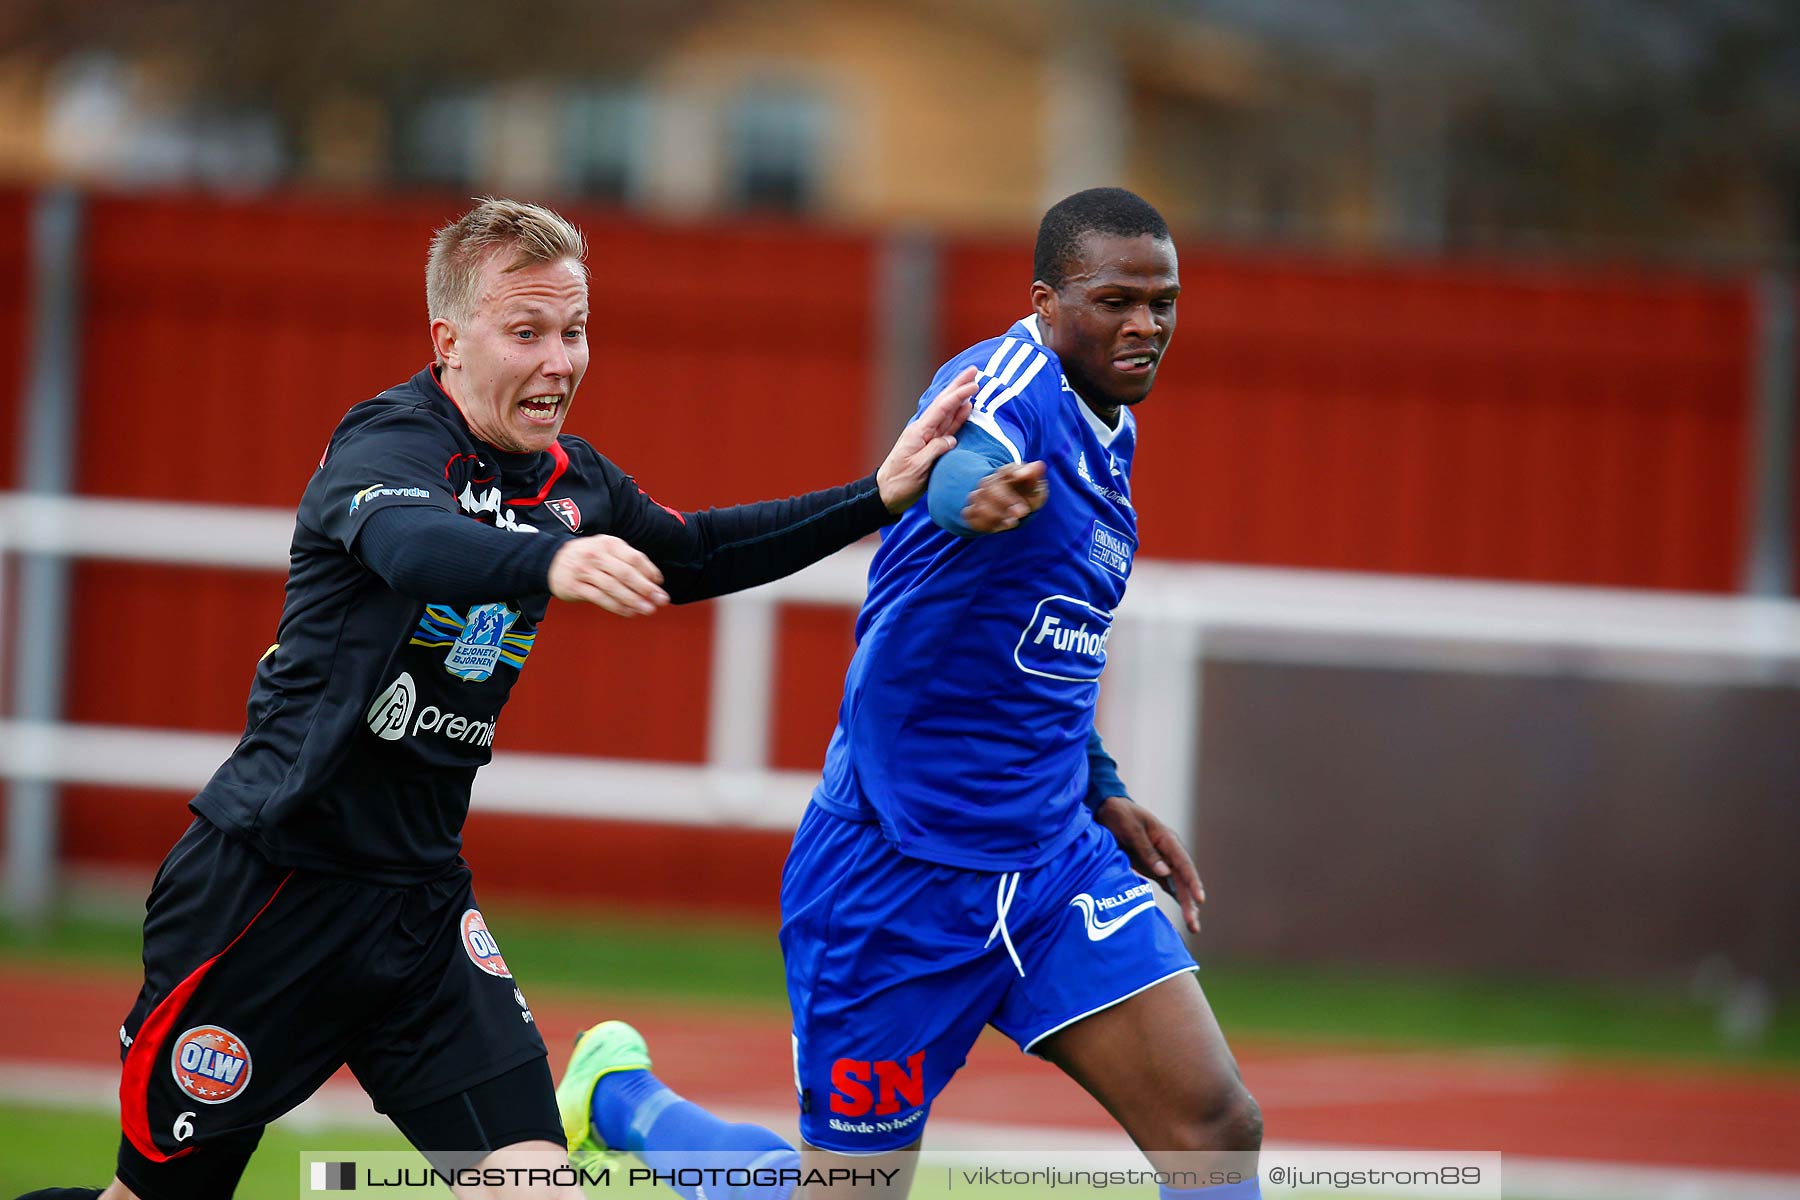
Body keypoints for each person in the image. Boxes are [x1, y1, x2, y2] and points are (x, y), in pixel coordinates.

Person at [15, 197, 976, 1200]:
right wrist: (546, 561)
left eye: (575, 330)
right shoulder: (386, 444)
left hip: (421, 912)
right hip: (270, 892)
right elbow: (412, 544)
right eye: (528, 332)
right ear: (450, 341)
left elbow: (697, 552)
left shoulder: (574, 480)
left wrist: (877, 494)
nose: (561, 360)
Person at [558, 188, 1263, 1200]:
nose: (1146, 324)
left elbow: (1047, 637)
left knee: (1216, 1128)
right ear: (1045, 300)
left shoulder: (1112, 424)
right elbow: (959, 461)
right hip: (895, 877)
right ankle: (627, 1106)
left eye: (1164, 301)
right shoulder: (1001, 381)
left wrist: (1100, 784)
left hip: (1051, 863)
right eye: (1116, 300)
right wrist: (970, 497)